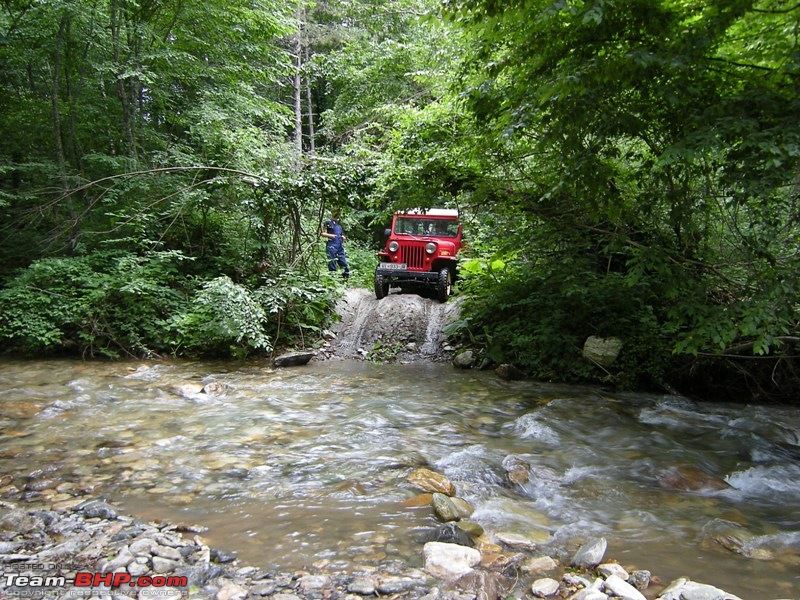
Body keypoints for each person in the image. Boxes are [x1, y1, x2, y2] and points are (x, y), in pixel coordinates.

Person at [320, 209, 350, 278]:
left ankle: (345, 278)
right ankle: (333, 279)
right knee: (332, 262)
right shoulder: (327, 222)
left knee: (343, 262)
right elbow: (322, 233)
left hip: (339, 245)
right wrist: (331, 236)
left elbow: (341, 233)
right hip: (331, 245)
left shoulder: (339, 223)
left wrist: (343, 237)